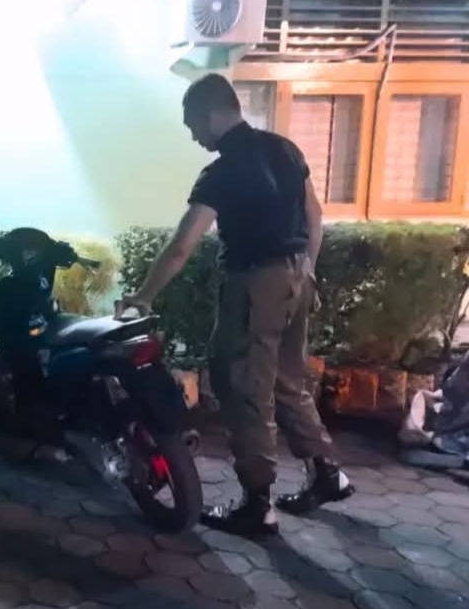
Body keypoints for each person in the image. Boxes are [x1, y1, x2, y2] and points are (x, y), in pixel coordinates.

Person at [117, 73, 354, 539]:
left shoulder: (222, 173)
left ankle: (257, 506)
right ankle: (327, 474)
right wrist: (306, 268)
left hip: (255, 285)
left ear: (210, 114)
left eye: (192, 125)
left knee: (244, 389)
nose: (194, 137)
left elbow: (182, 246)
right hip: (297, 278)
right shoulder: (285, 149)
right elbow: (314, 216)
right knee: (287, 381)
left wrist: (143, 295)